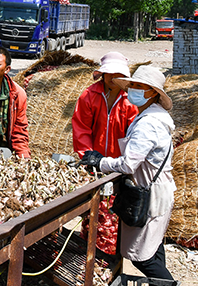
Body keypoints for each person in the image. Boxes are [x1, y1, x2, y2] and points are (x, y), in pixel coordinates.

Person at [84, 65, 176, 281]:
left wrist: (99, 161)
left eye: (139, 86)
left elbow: (128, 165)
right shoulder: (151, 115)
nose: (133, 89)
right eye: (132, 84)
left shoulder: (149, 124)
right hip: (156, 189)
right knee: (153, 247)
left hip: (150, 194)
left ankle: (169, 284)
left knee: (142, 257)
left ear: (153, 93)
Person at [72, 51, 138, 250]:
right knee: (93, 211)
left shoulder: (130, 100)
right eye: (110, 74)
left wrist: (125, 161)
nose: (114, 79)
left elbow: (134, 133)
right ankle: (88, 249)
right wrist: (88, 156)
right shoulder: (90, 95)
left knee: (114, 213)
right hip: (94, 163)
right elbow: (81, 128)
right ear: (102, 74)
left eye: (119, 75)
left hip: (120, 165)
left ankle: (109, 254)